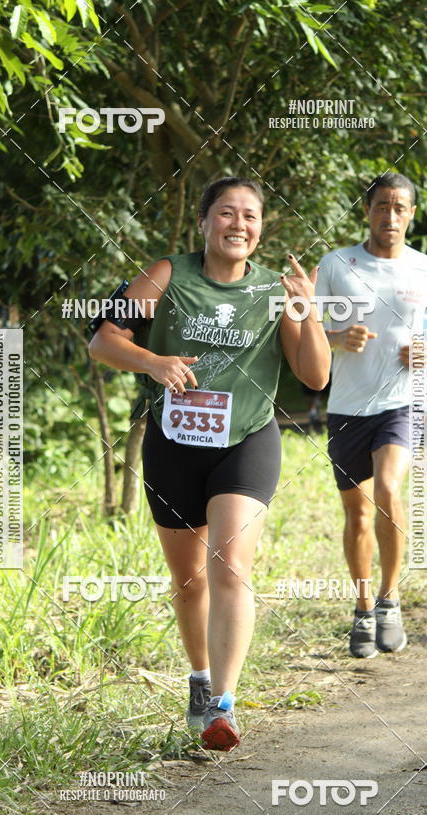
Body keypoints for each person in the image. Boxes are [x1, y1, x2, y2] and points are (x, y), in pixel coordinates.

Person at [88, 176, 330, 750]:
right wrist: (152, 361)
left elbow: (315, 376)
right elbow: (103, 340)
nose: (238, 224)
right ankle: (199, 680)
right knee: (189, 579)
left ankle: (223, 704)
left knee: (229, 566)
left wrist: (307, 312)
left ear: (261, 229)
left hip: (247, 440)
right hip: (173, 443)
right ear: (203, 222)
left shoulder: (275, 290)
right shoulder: (168, 273)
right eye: (226, 213)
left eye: (249, 216)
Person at [318, 172, 427, 658]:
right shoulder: (337, 264)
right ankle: (361, 609)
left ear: (411, 214)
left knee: (390, 489)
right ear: (367, 211)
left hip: (403, 400)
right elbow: (308, 329)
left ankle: (390, 600)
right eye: (381, 206)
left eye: (399, 207)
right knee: (356, 514)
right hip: (348, 406)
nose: (390, 216)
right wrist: (337, 339)